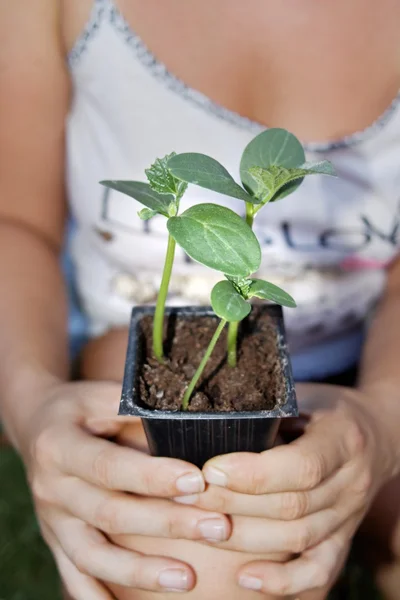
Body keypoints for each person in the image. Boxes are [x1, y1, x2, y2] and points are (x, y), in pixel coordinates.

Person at [1, 1, 400, 599]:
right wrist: (29, 402)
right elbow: (14, 219)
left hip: (373, 349)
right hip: (147, 353)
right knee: (201, 570)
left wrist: (385, 420)